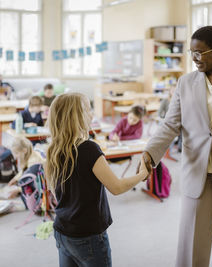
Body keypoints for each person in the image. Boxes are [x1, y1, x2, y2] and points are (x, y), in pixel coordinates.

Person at [140, 26, 212, 267]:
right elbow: (171, 124)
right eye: (191, 52)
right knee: (192, 248)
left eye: (199, 53)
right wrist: (151, 151)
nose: (193, 58)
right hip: (197, 173)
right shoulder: (186, 83)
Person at [45, 93, 151, 267]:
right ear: (77, 116)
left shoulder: (54, 150)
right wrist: (141, 175)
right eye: (88, 109)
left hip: (63, 231)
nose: (92, 114)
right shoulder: (89, 149)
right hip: (88, 236)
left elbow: (57, 194)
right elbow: (116, 187)